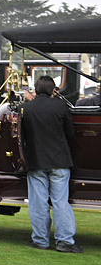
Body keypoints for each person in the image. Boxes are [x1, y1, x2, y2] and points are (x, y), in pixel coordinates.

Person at [21, 75, 80, 253]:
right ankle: (64, 241)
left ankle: (40, 240)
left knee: (38, 202)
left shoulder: (26, 108)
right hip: (59, 160)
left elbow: (22, 137)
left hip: (36, 160)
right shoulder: (61, 106)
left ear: (36, 89)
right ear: (53, 89)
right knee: (61, 201)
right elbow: (70, 133)